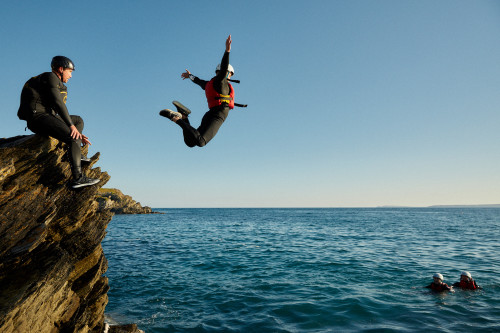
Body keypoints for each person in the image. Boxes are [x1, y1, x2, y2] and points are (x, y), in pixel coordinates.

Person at [18, 56, 100, 189]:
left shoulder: (57, 83)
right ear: (61, 69)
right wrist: (71, 128)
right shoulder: (50, 77)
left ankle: (75, 152)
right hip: (38, 118)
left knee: (78, 120)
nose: (71, 76)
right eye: (70, 71)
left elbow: (57, 111)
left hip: (47, 117)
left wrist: (74, 129)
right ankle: (78, 178)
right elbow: (58, 104)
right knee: (73, 136)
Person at [160, 35, 238, 147]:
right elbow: (224, 66)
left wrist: (189, 75)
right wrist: (227, 51)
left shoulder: (209, 84)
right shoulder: (222, 82)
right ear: (227, 73)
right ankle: (175, 118)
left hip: (211, 113)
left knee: (190, 142)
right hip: (218, 114)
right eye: (230, 74)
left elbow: (197, 80)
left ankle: (184, 116)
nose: (230, 76)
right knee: (201, 142)